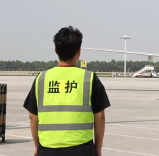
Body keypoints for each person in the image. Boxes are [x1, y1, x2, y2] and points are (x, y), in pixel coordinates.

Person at [23, 26, 111, 156]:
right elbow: (100, 116)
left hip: (48, 148)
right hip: (81, 149)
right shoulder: (89, 78)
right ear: (79, 51)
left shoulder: (41, 79)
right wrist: (98, 148)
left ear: (56, 50)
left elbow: (32, 116)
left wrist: (37, 146)